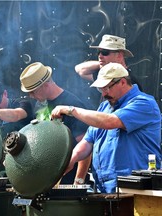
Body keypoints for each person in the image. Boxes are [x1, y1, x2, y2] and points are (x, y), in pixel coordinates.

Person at [51, 63, 161, 193]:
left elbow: (110, 122)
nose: (104, 93)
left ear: (123, 82)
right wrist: (70, 160)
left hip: (137, 188)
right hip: (105, 188)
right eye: (100, 89)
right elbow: (88, 141)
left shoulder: (144, 103)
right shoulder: (104, 107)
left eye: (107, 88)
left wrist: (71, 110)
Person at [20, 62, 92, 185]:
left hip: (68, 181)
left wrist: (78, 181)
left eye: (33, 92)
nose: (31, 96)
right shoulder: (41, 105)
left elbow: (86, 146)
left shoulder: (72, 104)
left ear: (46, 85)